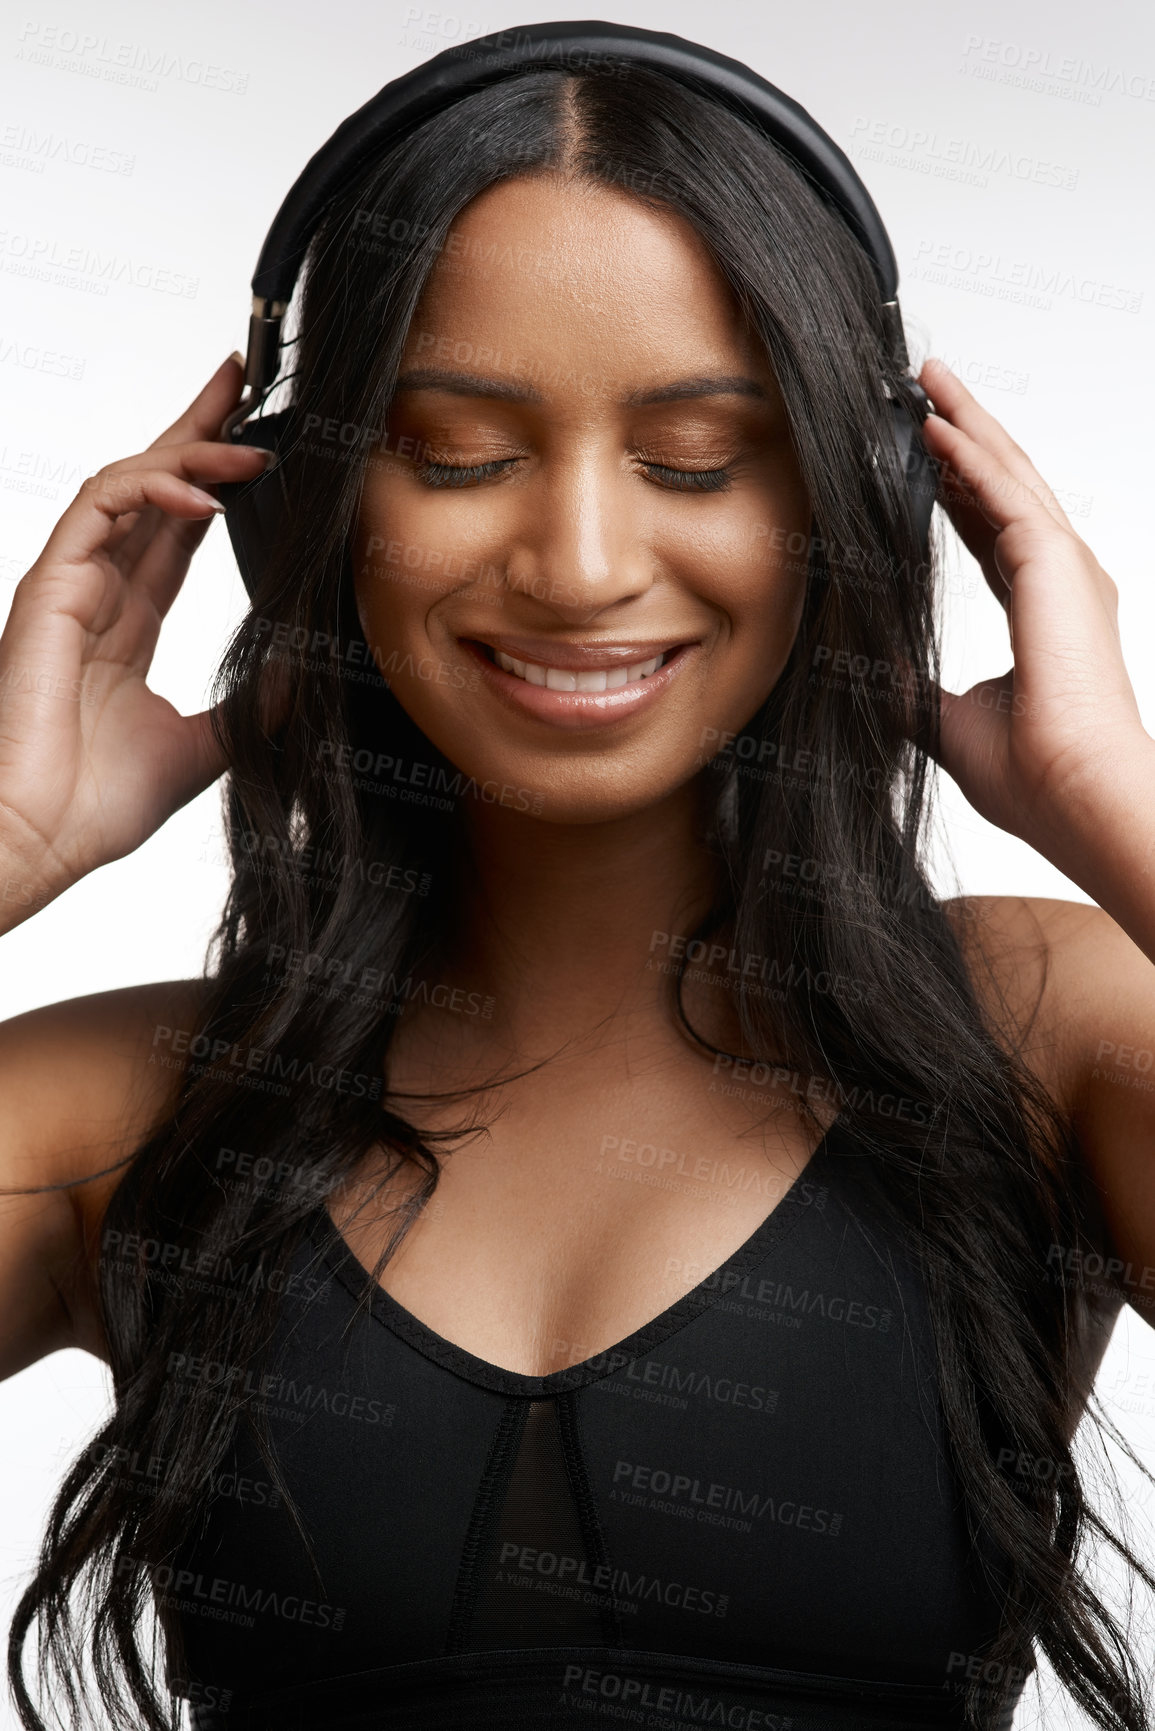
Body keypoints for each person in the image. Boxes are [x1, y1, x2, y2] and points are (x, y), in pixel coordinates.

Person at [1, 45, 1154, 1731]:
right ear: (303, 506)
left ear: (863, 503)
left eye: (697, 458)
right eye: (460, 454)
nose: (584, 566)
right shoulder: (117, 1114)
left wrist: (1118, 810)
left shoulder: (1048, 1038)